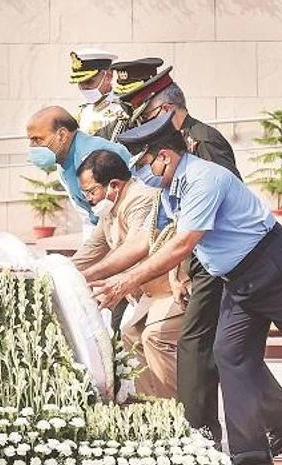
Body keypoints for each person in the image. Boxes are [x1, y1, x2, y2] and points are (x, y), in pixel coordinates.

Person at [89, 111, 282, 465]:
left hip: (274, 267)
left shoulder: (203, 179)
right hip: (239, 278)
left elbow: (184, 242)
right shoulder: (174, 185)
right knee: (231, 355)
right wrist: (167, 276)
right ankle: (250, 454)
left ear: (164, 156)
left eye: (142, 162)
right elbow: (171, 239)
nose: (139, 172)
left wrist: (127, 280)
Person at [90, 61, 282, 456]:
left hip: (214, 262)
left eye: (145, 114)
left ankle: (202, 437)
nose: (141, 125)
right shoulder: (171, 150)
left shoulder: (203, 142)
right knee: (219, 351)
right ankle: (280, 422)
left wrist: (181, 268)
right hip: (195, 261)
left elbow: (214, 211)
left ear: (162, 108)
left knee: (197, 347)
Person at [70, 150, 185, 398]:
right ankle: (152, 412)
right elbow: (90, 252)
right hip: (150, 293)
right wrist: (58, 272)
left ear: (114, 185)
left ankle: (180, 417)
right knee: (130, 336)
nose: (88, 199)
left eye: (91, 192)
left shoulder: (139, 198)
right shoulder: (109, 211)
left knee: (155, 338)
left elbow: (136, 246)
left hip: (175, 287)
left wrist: (87, 275)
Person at [25, 106, 131, 243]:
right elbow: (90, 218)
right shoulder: (64, 166)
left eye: (37, 140)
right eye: (30, 140)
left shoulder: (98, 157)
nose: (32, 146)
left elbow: (121, 214)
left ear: (62, 135)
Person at [68, 49, 127, 136]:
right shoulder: (83, 111)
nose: (84, 87)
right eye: (80, 82)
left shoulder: (122, 109)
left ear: (108, 77)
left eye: (89, 82)